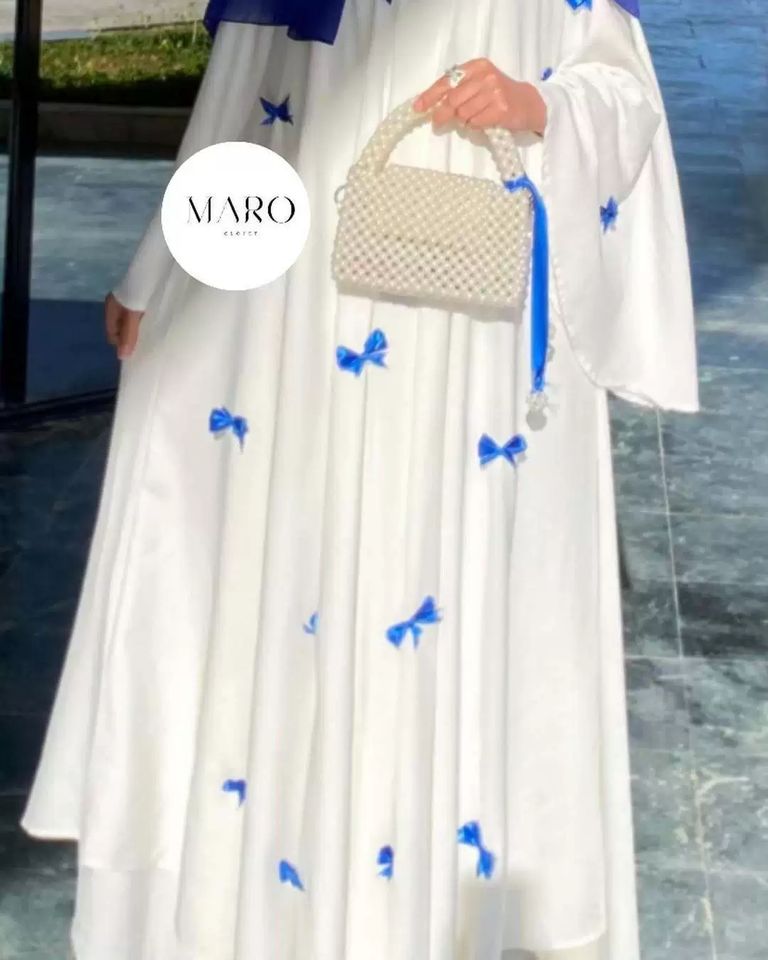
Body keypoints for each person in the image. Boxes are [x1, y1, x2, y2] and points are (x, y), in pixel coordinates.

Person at [19, 1, 699, 958]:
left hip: (466, 319)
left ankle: (415, 910)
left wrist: (537, 105)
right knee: (295, 570)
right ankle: (275, 913)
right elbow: (245, 87)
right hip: (304, 311)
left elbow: (621, 90)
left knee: (435, 571)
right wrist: (158, 265)